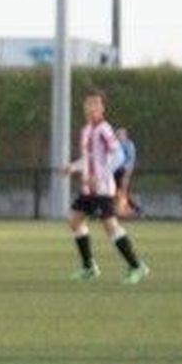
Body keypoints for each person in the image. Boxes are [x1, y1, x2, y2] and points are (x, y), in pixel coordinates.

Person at [63, 91, 149, 284]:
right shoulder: (86, 130)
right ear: (84, 107)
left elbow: (118, 156)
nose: (91, 107)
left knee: (110, 226)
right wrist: (73, 166)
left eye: (95, 104)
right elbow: (90, 159)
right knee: (74, 221)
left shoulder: (104, 129)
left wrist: (99, 176)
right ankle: (89, 267)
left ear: (102, 108)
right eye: (88, 104)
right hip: (89, 189)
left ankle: (137, 266)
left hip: (102, 189)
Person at [113, 127, 143, 216]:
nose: (118, 136)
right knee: (114, 192)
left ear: (125, 135)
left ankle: (131, 210)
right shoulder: (114, 145)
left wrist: (127, 170)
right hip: (114, 171)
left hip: (124, 171)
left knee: (123, 191)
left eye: (120, 134)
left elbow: (130, 159)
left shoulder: (129, 145)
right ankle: (133, 209)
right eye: (117, 134)